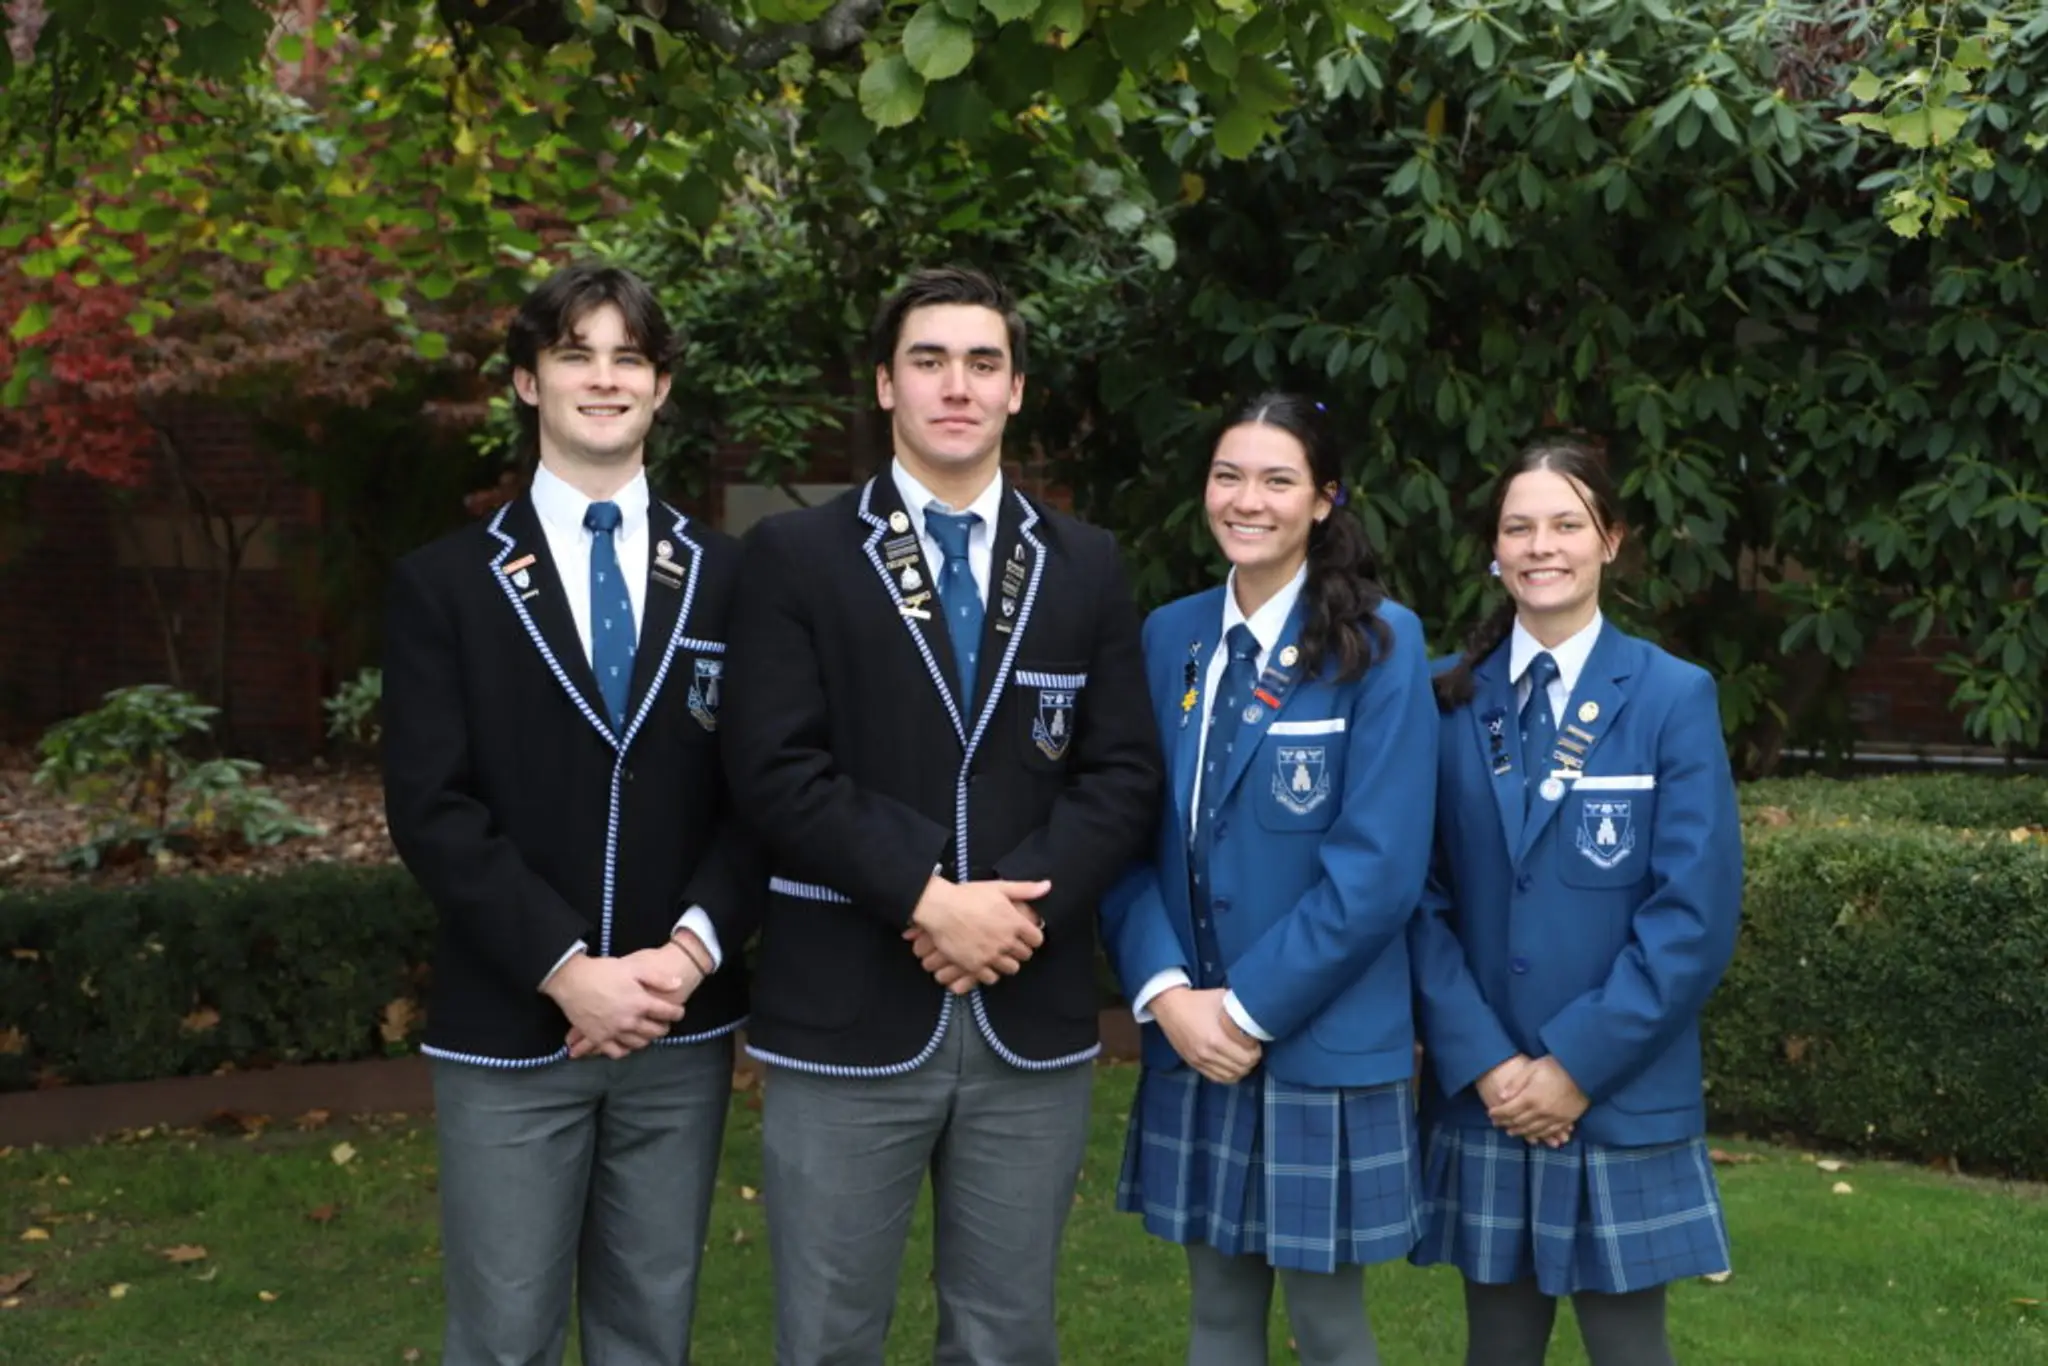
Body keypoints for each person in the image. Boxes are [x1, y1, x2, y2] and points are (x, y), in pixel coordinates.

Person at [719, 264, 1162, 1366]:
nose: (954, 385)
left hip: (1028, 1003)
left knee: (1006, 1337)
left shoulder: (1085, 563)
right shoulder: (794, 557)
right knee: (826, 1336)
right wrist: (926, 896)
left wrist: (1009, 913)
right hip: (846, 1012)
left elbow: (1119, 775)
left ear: (1016, 389)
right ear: (883, 386)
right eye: (927, 361)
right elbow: (773, 767)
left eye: (981, 362)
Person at [383, 261, 757, 1366]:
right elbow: (432, 807)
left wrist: (682, 962)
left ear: (661, 387)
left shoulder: (732, 578)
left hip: (678, 1022)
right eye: (575, 354)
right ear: (523, 383)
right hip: (509, 1024)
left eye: (628, 357)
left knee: (650, 1333)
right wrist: (564, 968)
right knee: (503, 1340)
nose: (604, 378)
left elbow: (765, 794)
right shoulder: (443, 584)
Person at [1101, 393, 1437, 1366]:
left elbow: (1375, 870)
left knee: (1329, 1328)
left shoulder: (1378, 643)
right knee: (1213, 1316)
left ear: (1324, 499)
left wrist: (1241, 1013)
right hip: (1188, 1033)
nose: (1246, 499)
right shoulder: (1168, 637)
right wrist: (1167, 998)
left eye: (1277, 479)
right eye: (1227, 475)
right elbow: (1122, 836)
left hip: (1316, 1043)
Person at [1408, 436, 1743, 1365]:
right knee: (1496, 1352)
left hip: (1619, 1092)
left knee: (1631, 1352)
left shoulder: (1674, 697)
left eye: (1566, 524)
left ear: (1612, 541)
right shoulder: (1441, 697)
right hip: (1489, 1094)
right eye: (1519, 527)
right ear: (1493, 549)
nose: (1541, 545)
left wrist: (1574, 1066)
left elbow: (1693, 916)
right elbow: (1416, 898)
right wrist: (1485, 1064)